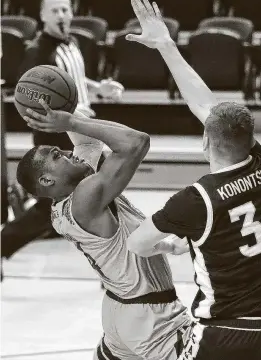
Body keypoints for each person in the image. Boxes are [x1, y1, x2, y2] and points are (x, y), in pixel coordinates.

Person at [127, 0, 261, 360]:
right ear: (250, 139)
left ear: (205, 139)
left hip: (223, 333)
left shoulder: (195, 199)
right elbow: (206, 106)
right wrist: (167, 47)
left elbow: (138, 244)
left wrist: (170, 244)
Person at [17, 101, 191, 359]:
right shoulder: (84, 198)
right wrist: (71, 123)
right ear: (47, 180)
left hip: (119, 310)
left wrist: (61, 108)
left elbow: (88, 145)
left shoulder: (65, 201)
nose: (67, 152)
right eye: (57, 156)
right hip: (150, 317)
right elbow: (137, 142)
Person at [1, 0, 122, 264]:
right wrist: (67, 112)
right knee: (90, 190)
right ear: (42, 16)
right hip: (57, 136)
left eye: (65, 9)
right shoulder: (38, 51)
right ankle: (115, 260)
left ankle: (113, 257)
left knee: (98, 189)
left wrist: (97, 87)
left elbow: (70, 81)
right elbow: (28, 93)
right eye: (55, 10)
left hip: (81, 132)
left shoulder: (73, 42)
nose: (62, 15)